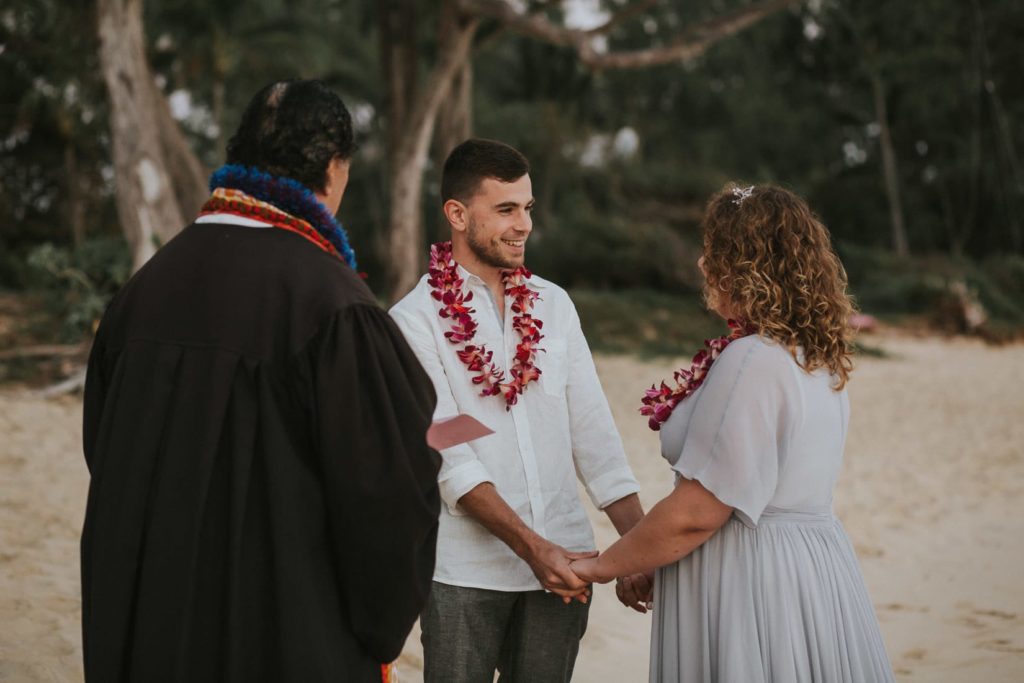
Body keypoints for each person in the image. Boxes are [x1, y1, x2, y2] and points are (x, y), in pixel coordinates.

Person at [81, 79, 441, 683]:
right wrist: (375, 628)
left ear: (240, 156)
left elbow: (107, 452)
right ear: (333, 168)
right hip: (278, 629)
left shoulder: (142, 292)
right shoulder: (335, 306)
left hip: (148, 624)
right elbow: (389, 498)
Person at [570, 184, 896, 682]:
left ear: (744, 266)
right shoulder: (817, 358)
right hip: (813, 570)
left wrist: (600, 566)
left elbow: (698, 513)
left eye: (713, 251)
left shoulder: (753, 360)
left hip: (750, 577)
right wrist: (654, 556)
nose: (702, 265)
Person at [389, 138, 645, 683]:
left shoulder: (554, 305)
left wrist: (639, 548)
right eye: (505, 209)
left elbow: (594, 437)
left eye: (527, 207)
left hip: (569, 566)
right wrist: (533, 549)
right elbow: (448, 452)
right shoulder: (413, 321)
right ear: (457, 215)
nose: (524, 224)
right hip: (465, 573)